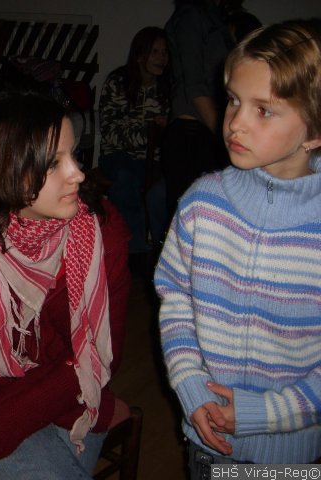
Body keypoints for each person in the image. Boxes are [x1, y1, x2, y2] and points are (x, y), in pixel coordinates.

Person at [0, 91, 131, 479]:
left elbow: (106, 353)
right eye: (53, 163)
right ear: (0, 168)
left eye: (74, 155)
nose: (78, 174)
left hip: (74, 394)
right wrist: (18, 412)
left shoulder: (101, 234)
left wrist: (5, 423)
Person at [155, 19, 321, 477]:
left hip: (292, 452)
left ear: (314, 131)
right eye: (233, 100)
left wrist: (265, 413)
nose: (236, 122)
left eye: (263, 110)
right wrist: (190, 384)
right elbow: (176, 299)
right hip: (207, 439)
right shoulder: (202, 203)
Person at [98, 26, 170, 254]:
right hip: (118, 157)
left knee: (164, 191)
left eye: (165, 52)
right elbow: (110, 131)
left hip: (155, 161)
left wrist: (165, 129)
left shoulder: (167, 89)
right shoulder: (118, 82)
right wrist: (148, 132)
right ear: (140, 55)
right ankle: (134, 251)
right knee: (126, 179)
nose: (161, 58)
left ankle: (163, 253)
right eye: (155, 52)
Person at [162, 0, 232, 222]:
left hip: (203, 131)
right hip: (192, 132)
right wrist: (225, 139)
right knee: (193, 218)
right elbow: (195, 86)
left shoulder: (216, 17)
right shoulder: (191, 16)